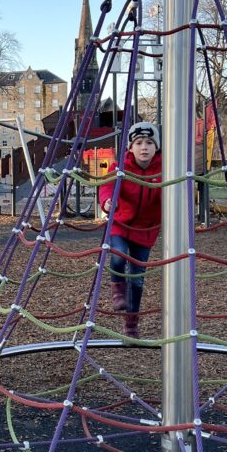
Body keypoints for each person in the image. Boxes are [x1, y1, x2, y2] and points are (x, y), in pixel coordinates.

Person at [97, 122, 162, 338]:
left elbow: (170, 193)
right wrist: (107, 201)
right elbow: (107, 186)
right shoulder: (121, 168)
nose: (144, 147)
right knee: (117, 255)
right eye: (139, 143)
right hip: (121, 224)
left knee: (137, 279)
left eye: (150, 143)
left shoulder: (164, 170)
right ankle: (117, 289)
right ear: (130, 148)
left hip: (145, 231)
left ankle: (131, 324)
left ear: (157, 147)